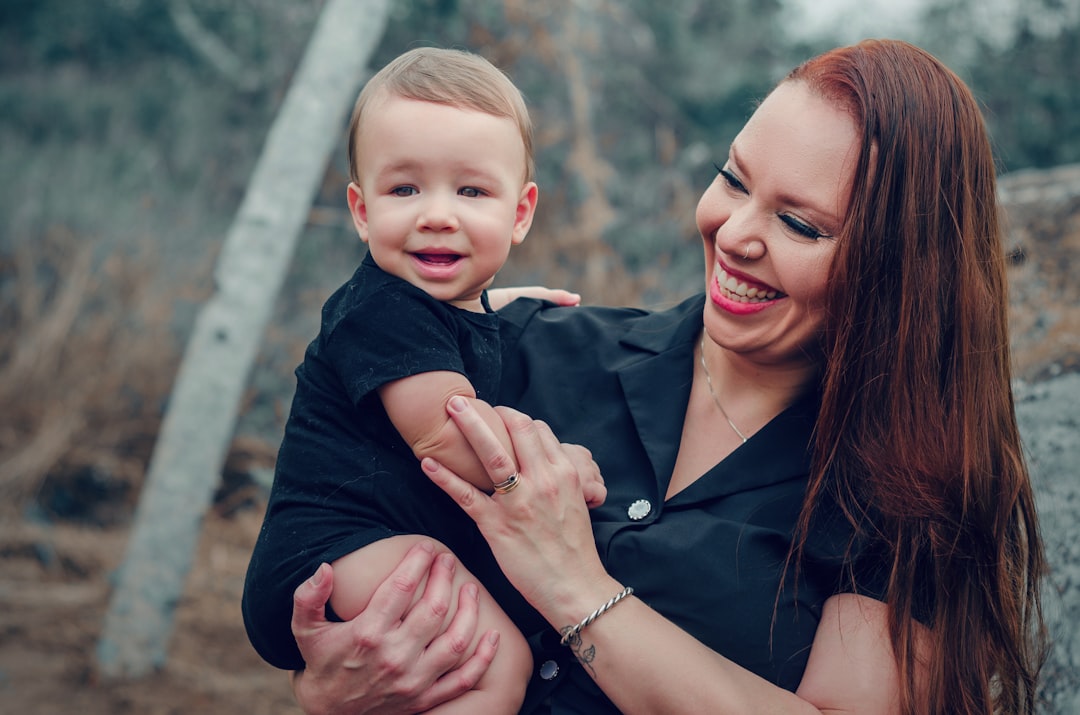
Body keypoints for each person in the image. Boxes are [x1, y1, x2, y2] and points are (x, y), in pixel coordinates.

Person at [246, 39, 1048, 714]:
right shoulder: (520, 353)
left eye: (799, 223)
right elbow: (347, 538)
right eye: (733, 179)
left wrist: (575, 587)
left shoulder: (902, 495)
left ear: (897, 271)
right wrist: (333, 687)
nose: (735, 233)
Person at [241, 46, 588, 714]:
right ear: (362, 208)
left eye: (471, 191)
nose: (437, 213)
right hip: (327, 552)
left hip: (364, 548)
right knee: (498, 659)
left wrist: (499, 302)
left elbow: (445, 325)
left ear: (519, 214)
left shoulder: (420, 310)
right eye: (405, 188)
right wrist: (559, 465)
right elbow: (444, 432)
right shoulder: (377, 309)